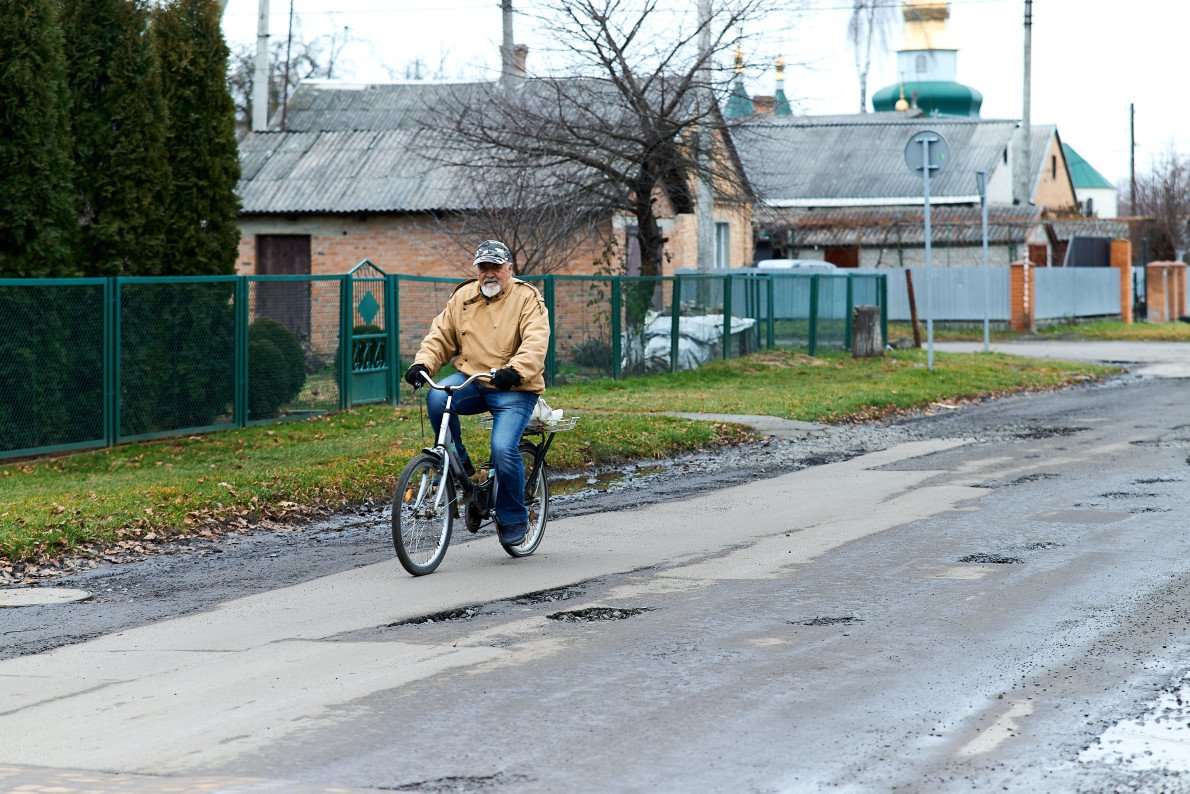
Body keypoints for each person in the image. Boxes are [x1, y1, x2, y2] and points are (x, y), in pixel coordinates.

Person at [404, 240, 550, 547]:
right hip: (474, 379)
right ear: (477, 270)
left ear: (509, 269)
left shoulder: (527, 298)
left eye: (496, 267)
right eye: (484, 267)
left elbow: (536, 342)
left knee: (501, 448)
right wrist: (422, 364)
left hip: (514, 387)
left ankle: (513, 517)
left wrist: (516, 370)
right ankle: (463, 471)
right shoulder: (463, 297)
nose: (489, 274)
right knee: (437, 397)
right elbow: (440, 336)